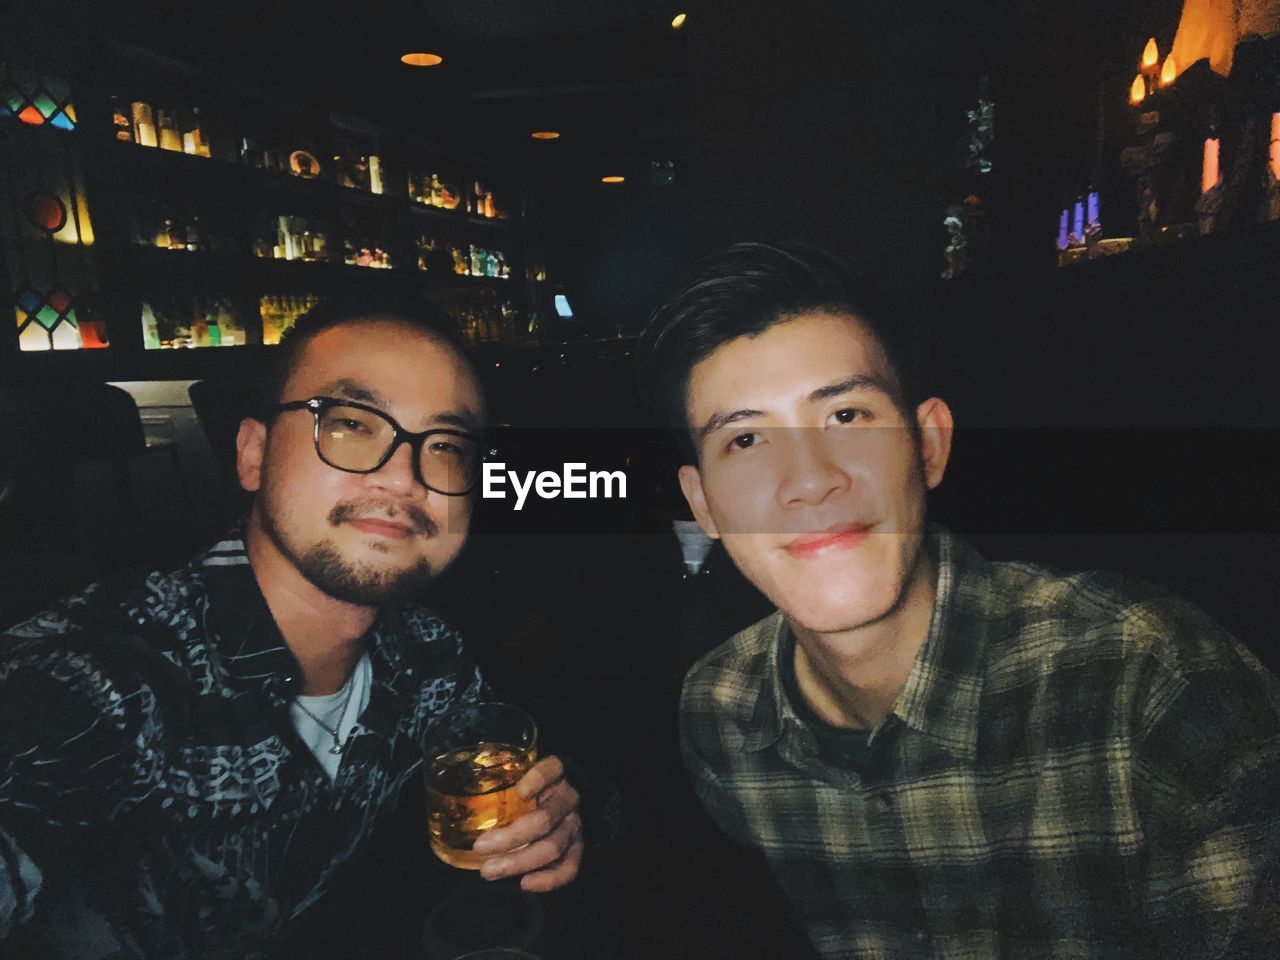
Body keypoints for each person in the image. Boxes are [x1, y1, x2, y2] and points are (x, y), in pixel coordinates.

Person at [637, 241, 1280, 959]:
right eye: (747, 438)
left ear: (930, 444)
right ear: (705, 507)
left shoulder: (1149, 683)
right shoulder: (721, 715)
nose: (809, 480)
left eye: (846, 417)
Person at [0, 299, 583, 958]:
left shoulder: (426, 655)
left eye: (445, 445)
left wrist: (556, 818)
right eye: (352, 423)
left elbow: (525, 780)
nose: (404, 475)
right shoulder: (97, 684)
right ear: (252, 454)